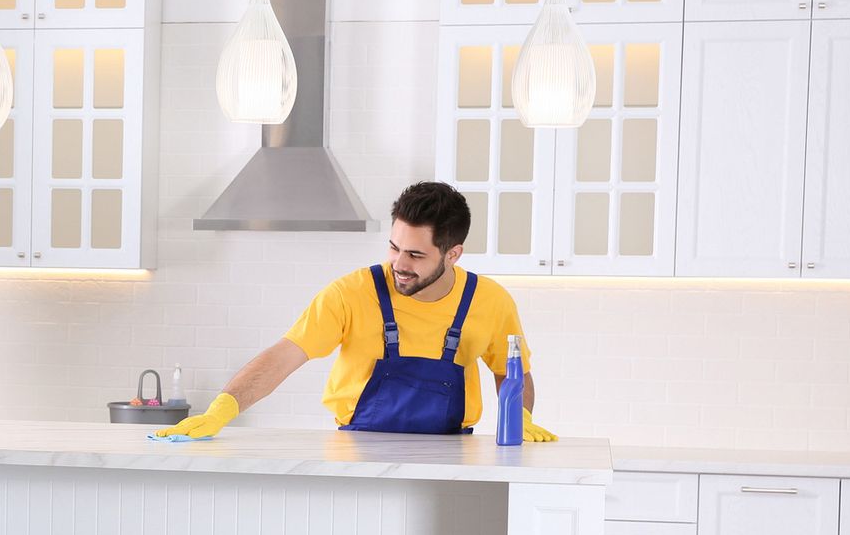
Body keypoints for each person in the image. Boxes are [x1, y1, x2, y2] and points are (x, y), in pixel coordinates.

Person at [161, 182, 557, 441]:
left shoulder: (489, 301)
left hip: (453, 453)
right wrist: (222, 409)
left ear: (453, 254)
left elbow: (511, 371)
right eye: (394, 247)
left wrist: (520, 418)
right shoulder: (352, 292)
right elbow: (285, 355)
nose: (399, 263)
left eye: (416, 254)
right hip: (355, 448)